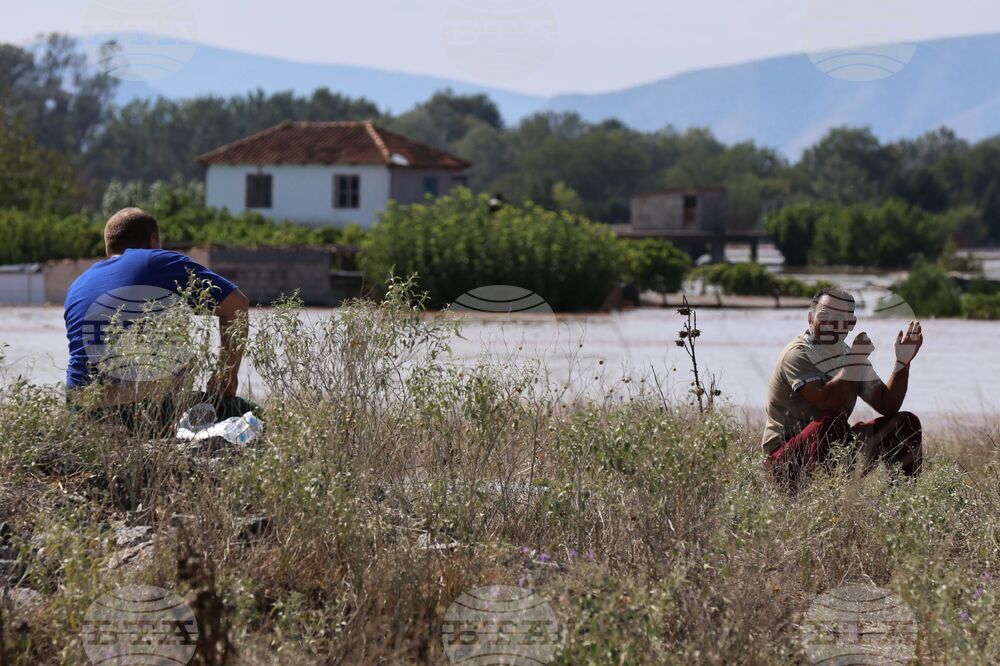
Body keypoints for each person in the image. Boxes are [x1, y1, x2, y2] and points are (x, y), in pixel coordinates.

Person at [64, 207, 257, 428]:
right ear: (153, 239)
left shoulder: (78, 285)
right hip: (139, 412)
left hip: (80, 413)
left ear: (109, 246)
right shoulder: (155, 261)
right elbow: (237, 305)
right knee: (249, 416)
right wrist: (226, 374)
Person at [762, 287, 923, 490]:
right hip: (785, 459)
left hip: (832, 450)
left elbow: (887, 405)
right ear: (810, 319)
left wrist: (903, 362)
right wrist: (856, 360)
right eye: (824, 316)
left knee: (906, 423)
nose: (830, 323)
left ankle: (901, 505)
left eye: (838, 317)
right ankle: (827, 502)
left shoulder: (852, 357)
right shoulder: (797, 355)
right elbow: (826, 401)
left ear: (850, 324)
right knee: (830, 422)